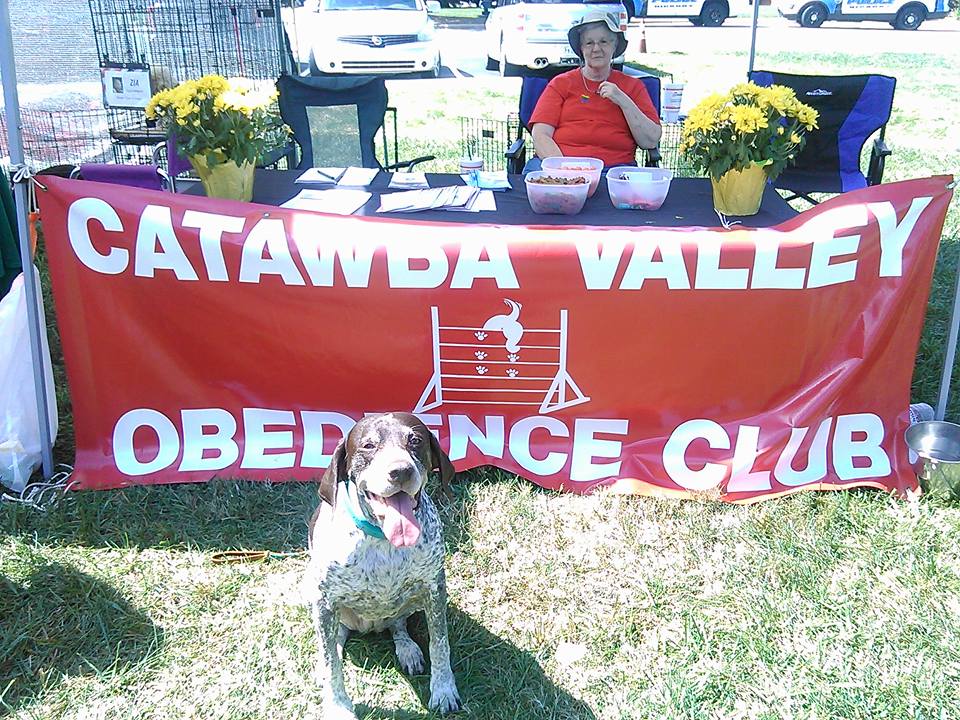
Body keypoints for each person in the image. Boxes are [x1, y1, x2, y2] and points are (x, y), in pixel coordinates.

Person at [528, 10, 661, 169]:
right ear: (581, 48)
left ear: (614, 45)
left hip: (614, 171)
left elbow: (650, 140)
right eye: (589, 43)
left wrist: (622, 100)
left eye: (603, 41)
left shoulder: (633, 87)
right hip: (560, 167)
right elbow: (540, 135)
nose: (596, 48)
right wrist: (565, 170)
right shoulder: (561, 84)